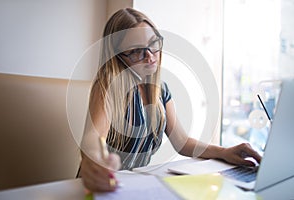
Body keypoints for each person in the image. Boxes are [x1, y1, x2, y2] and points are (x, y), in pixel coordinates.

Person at [80, 8, 261, 193]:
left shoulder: (160, 89)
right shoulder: (108, 86)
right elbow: (92, 139)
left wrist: (225, 152)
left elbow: (182, 142)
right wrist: (94, 160)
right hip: (100, 187)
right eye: (136, 51)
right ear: (117, 56)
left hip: (132, 188)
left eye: (153, 44)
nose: (150, 56)